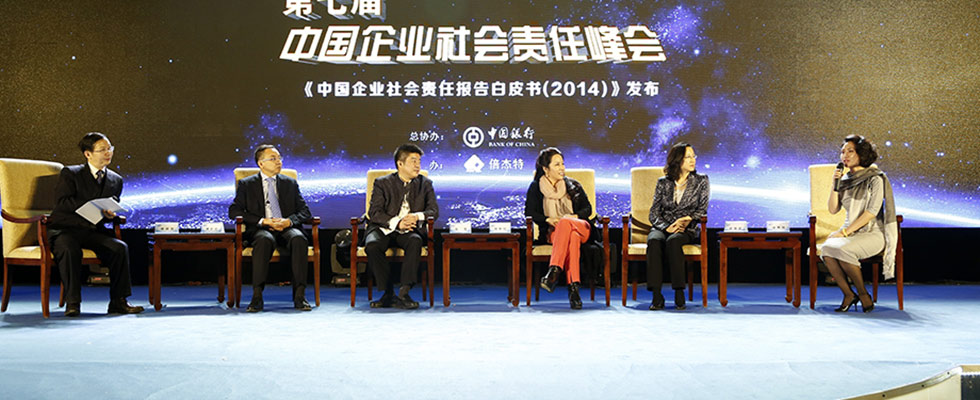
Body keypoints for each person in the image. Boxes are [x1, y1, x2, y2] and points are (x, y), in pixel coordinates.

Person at [47, 132, 143, 317]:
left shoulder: (116, 179)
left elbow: (109, 207)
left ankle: (119, 301)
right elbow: (62, 203)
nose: (108, 153)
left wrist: (109, 214)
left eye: (109, 148)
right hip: (65, 229)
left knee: (119, 248)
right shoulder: (71, 173)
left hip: (91, 231)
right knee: (69, 249)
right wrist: (90, 204)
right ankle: (72, 303)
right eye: (102, 150)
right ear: (88, 154)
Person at [819, 135, 898, 313]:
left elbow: (871, 212)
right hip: (850, 232)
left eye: (850, 151)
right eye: (842, 152)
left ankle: (863, 294)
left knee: (843, 249)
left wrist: (844, 233)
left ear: (861, 154)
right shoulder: (845, 180)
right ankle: (848, 294)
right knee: (827, 249)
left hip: (872, 233)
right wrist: (834, 184)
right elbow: (833, 209)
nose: (844, 156)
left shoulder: (875, 178)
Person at [229, 144, 313, 312]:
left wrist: (288, 221)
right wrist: (263, 221)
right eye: (273, 159)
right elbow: (234, 211)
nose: (278, 162)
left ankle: (300, 296)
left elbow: (305, 212)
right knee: (264, 240)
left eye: (279, 158)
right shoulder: (247, 184)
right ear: (261, 164)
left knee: (298, 238)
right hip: (262, 229)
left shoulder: (289, 183)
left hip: (286, 227)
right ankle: (257, 297)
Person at [525, 147, 602, 310]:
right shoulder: (536, 188)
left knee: (567, 223)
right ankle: (574, 291)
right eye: (557, 164)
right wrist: (548, 219)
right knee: (572, 238)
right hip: (555, 232)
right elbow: (529, 212)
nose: (562, 168)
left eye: (562, 164)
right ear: (546, 169)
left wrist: (573, 217)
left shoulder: (573, 185)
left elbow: (587, 209)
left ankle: (554, 270)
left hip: (582, 228)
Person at [364, 144, 439, 309]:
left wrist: (416, 216)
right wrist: (398, 222)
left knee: (415, 241)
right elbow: (374, 212)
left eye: (419, 161)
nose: (417, 165)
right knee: (372, 245)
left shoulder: (425, 184)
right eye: (413, 161)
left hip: (409, 230)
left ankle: (404, 292)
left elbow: (434, 211)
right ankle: (388, 293)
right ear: (400, 164)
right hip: (383, 228)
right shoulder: (382, 183)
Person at [646, 142, 709, 310]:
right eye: (688, 157)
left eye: (693, 156)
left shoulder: (701, 181)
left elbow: (702, 210)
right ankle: (656, 295)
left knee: (674, 241)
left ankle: (679, 292)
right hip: (663, 226)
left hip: (685, 229)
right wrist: (666, 227)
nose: (693, 160)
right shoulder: (663, 182)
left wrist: (688, 218)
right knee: (654, 240)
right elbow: (653, 213)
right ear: (678, 160)